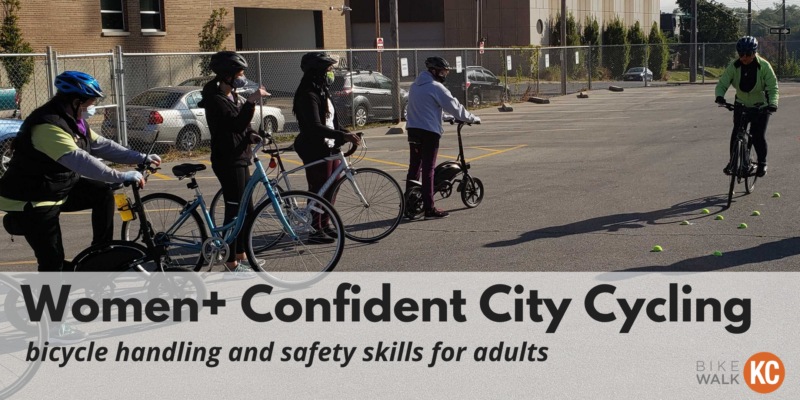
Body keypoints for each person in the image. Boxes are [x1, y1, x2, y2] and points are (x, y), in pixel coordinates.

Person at [0, 71, 160, 344]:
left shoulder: (73, 121)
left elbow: (99, 145)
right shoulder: (47, 126)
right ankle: (53, 328)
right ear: (75, 101)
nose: (91, 107)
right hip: (31, 200)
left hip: (57, 189)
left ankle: (99, 255)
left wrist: (139, 156)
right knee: (52, 262)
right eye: (89, 102)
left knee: (101, 193)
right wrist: (120, 175)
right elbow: (80, 160)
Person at [199, 51, 270, 278]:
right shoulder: (215, 101)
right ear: (227, 76)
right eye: (239, 74)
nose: (242, 78)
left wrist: (251, 135)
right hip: (228, 160)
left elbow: (242, 127)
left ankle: (241, 255)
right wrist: (252, 101)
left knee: (246, 209)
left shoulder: (232, 97)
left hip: (240, 157)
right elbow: (235, 125)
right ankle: (230, 263)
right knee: (234, 210)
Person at [292, 52, 361, 243]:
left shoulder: (321, 90)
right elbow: (315, 126)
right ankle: (314, 230)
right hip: (314, 147)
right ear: (317, 71)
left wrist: (346, 132)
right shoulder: (308, 94)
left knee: (333, 185)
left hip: (330, 145)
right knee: (319, 188)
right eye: (328, 70)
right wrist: (342, 135)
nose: (331, 73)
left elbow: (330, 122)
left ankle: (324, 223)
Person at [405, 56, 480, 220]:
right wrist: (472, 118)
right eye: (442, 72)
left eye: (446, 72)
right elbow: (455, 107)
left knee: (414, 168)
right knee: (428, 170)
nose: (444, 75)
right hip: (429, 133)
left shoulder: (415, 85)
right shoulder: (436, 87)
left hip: (413, 130)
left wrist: (444, 117)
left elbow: (425, 108)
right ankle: (429, 209)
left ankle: (410, 205)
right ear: (433, 71)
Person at [715, 36, 778, 178]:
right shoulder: (734, 66)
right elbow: (722, 83)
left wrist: (773, 103)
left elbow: (773, 87)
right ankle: (733, 162)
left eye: (748, 54)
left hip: (761, 106)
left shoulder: (764, 66)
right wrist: (720, 96)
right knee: (736, 133)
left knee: (757, 136)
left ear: (754, 52)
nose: (744, 58)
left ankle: (762, 163)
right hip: (741, 104)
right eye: (741, 54)